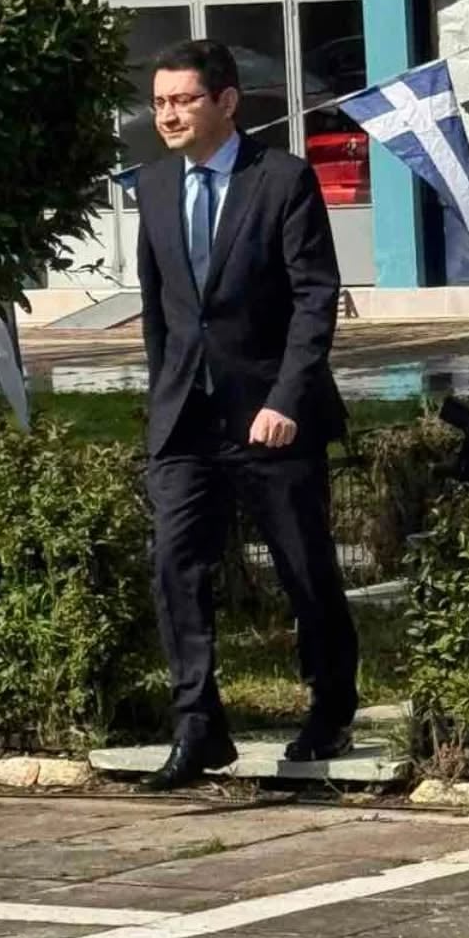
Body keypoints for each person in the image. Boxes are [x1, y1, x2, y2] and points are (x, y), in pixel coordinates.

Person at [135, 39, 358, 791]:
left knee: (304, 568)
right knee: (174, 564)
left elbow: (314, 298)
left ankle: (330, 707)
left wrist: (286, 400)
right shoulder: (154, 186)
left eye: (183, 100)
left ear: (226, 102)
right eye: (159, 102)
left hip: (270, 416)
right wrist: (162, 397)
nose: (168, 115)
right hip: (185, 421)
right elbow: (161, 311)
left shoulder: (282, 180)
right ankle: (198, 726)